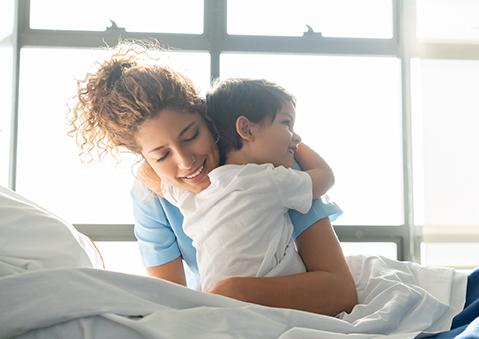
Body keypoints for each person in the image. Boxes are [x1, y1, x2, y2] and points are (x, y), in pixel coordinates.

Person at [70, 41, 357, 316]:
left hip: (283, 302)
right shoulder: (153, 197)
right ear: (145, 159)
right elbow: (170, 301)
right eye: (161, 155)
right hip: (218, 311)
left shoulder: (271, 170)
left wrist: (236, 292)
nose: (186, 162)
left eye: (191, 135)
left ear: (209, 121)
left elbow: (341, 291)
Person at [161, 78, 335, 292]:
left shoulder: (193, 193)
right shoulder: (269, 179)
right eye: (287, 123)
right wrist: (297, 147)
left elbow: (156, 179)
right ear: (246, 129)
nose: (296, 136)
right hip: (272, 303)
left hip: (214, 299)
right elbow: (325, 177)